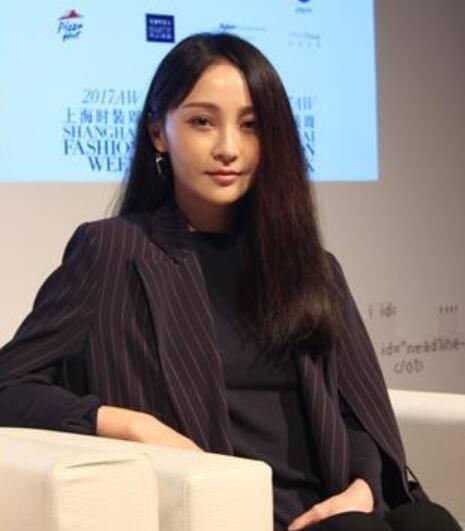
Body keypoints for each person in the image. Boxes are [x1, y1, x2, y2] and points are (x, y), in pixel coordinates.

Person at [0, 33, 460, 531]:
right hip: (229, 517)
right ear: (158, 132)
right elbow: (9, 384)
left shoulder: (314, 268)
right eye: (202, 122)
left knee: (427, 521)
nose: (228, 148)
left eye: (250, 125)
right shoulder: (112, 251)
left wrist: (363, 485)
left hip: (329, 512)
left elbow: (353, 413)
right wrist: (129, 424)